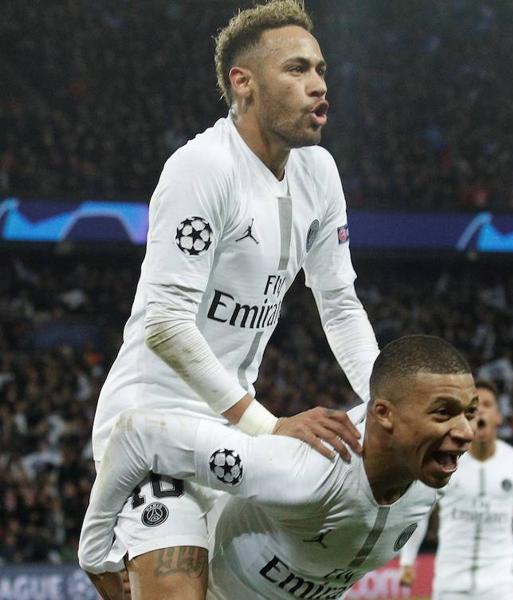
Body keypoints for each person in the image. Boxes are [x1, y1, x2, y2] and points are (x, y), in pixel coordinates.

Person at [87, 2, 380, 598]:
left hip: (233, 430)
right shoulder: (202, 167)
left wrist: (382, 403)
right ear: (242, 83)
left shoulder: (319, 173)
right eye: (297, 69)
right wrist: (267, 426)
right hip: (154, 422)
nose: (319, 84)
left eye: (321, 68)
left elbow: (340, 304)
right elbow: (167, 324)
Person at [79, 335, 478, 599]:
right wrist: (96, 555)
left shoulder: (431, 472)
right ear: (385, 414)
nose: (464, 432)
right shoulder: (305, 470)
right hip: (199, 553)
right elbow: (138, 435)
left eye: (469, 413)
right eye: (443, 413)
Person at [399, 380, 513, 600]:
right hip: (450, 580)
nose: (480, 411)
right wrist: (407, 561)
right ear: (464, 417)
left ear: (498, 417)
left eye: (486, 405)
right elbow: (420, 512)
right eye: (472, 408)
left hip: (501, 582)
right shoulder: (443, 463)